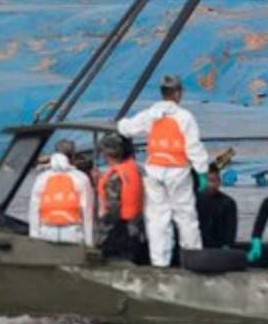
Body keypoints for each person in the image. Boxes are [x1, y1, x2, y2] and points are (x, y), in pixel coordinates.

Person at [117, 74, 208, 268]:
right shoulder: (185, 117)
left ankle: (159, 263)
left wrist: (118, 123)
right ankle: (193, 260)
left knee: (157, 219)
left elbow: (127, 128)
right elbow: (193, 146)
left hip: (154, 171)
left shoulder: (151, 114)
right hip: (178, 172)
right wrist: (202, 171)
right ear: (176, 93)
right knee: (185, 217)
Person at [97, 133, 146, 261]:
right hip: (136, 230)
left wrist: (101, 237)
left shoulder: (114, 177)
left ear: (106, 153)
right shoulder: (136, 169)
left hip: (118, 233)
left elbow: (113, 209)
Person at [28, 150, 94, 245]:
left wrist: (33, 239)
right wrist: (89, 243)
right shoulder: (81, 178)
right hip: (72, 232)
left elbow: (34, 212)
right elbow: (87, 214)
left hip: (48, 231)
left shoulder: (41, 179)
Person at [196, 163, 238, 249]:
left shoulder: (228, 202)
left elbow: (231, 229)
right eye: (207, 181)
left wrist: (227, 245)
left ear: (219, 182)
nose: (210, 185)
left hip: (218, 247)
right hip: (197, 245)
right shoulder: (193, 201)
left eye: (213, 181)